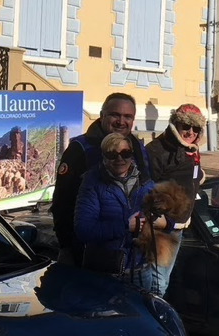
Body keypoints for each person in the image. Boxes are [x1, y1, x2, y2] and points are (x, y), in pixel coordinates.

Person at [51, 93, 148, 266]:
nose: (121, 121)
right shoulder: (80, 148)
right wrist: (66, 246)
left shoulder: (138, 148)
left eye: (127, 116)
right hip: (89, 251)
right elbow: (62, 200)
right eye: (115, 115)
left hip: (133, 255)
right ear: (102, 115)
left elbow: (147, 185)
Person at [74, 133, 156, 289]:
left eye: (125, 153)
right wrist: (125, 225)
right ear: (104, 157)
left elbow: (168, 211)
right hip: (105, 270)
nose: (120, 159)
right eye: (112, 155)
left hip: (140, 268)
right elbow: (83, 230)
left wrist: (165, 222)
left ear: (132, 155)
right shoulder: (93, 182)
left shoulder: (145, 181)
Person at [146, 104, 206, 196]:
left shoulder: (193, 149)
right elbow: (146, 187)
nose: (190, 133)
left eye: (196, 128)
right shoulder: (156, 150)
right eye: (186, 126)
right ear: (176, 126)